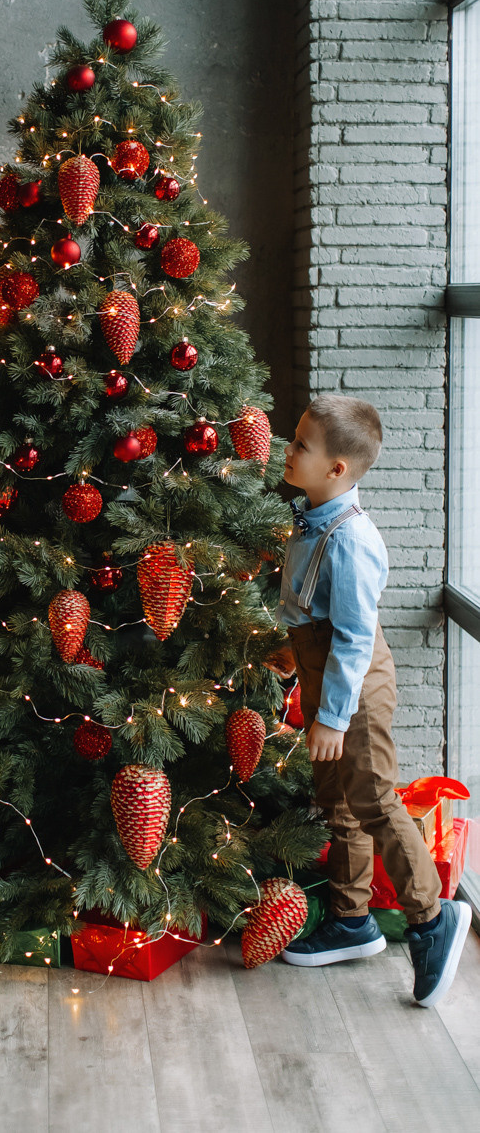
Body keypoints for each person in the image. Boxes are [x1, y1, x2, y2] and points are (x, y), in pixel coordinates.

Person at [273, 393, 470, 1007]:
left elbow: (355, 639)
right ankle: (352, 920)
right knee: (339, 803)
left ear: (337, 469)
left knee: (375, 800)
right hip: (324, 675)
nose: (288, 448)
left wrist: (331, 717)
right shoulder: (311, 519)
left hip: (352, 689)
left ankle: (431, 921)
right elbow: (313, 611)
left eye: (302, 443)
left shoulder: (351, 538)